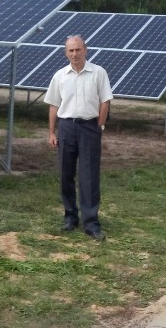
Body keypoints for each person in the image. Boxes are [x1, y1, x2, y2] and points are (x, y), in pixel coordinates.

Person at [44, 35, 113, 241]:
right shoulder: (60, 76)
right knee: (66, 173)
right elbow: (54, 105)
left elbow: (105, 101)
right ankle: (70, 217)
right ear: (66, 53)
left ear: (86, 50)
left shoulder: (98, 73)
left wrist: (99, 125)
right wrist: (51, 132)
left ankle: (91, 222)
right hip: (66, 128)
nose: (74, 54)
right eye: (70, 50)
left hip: (89, 127)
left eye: (78, 50)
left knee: (89, 175)